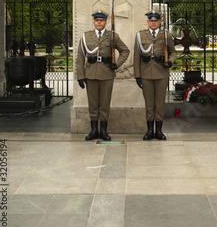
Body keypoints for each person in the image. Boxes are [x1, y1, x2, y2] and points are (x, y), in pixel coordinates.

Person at [76, 10, 130, 141]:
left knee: (104, 104)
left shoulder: (112, 36)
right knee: (93, 104)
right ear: (94, 22)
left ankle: (104, 130)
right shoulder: (86, 36)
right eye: (96, 20)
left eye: (101, 20)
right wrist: (80, 76)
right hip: (91, 74)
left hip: (106, 74)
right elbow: (80, 57)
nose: (99, 22)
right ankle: (94, 130)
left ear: (105, 22)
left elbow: (125, 50)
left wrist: (116, 64)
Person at [134, 11, 177, 141]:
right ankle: (149, 130)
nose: (153, 22)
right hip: (146, 73)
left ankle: (158, 130)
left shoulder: (166, 35)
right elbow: (137, 57)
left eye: (156, 20)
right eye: (151, 20)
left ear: (159, 22)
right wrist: (137, 75)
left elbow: (173, 52)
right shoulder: (140, 35)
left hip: (161, 72)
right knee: (149, 103)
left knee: (159, 103)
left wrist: (170, 61)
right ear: (147, 22)